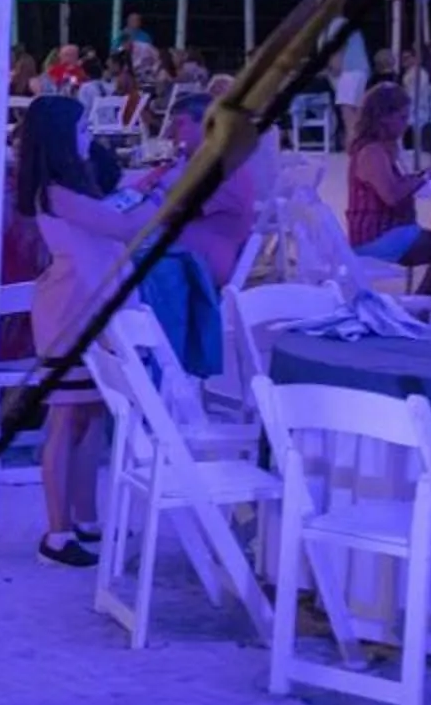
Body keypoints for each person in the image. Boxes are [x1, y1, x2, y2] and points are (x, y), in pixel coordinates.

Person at [14, 93, 158, 567]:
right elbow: (121, 228)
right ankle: (57, 532)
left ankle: (86, 518)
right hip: (70, 315)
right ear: (60, 138)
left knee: (92, 414)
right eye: (80, 131)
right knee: (65, 419)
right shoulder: (55, 192)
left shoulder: (65, 188)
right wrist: (161, 192)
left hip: (89, 310)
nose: (88, 138)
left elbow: (111, 219)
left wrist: (149, 184)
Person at [141, 89, 275, 285]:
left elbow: (163, 212)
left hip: (198, 269)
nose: (170, 133)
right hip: (182, 260)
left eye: (179, 124)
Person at [342, 81, 431, 265]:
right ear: (384, 118)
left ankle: (429, 290)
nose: (405, 124)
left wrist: (424, 174)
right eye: (402, 118)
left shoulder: (383, 147)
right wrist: (425, 177)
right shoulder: (371, 152)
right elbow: (392, 195)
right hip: (376, 239)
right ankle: (430, 290)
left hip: (389, 232)